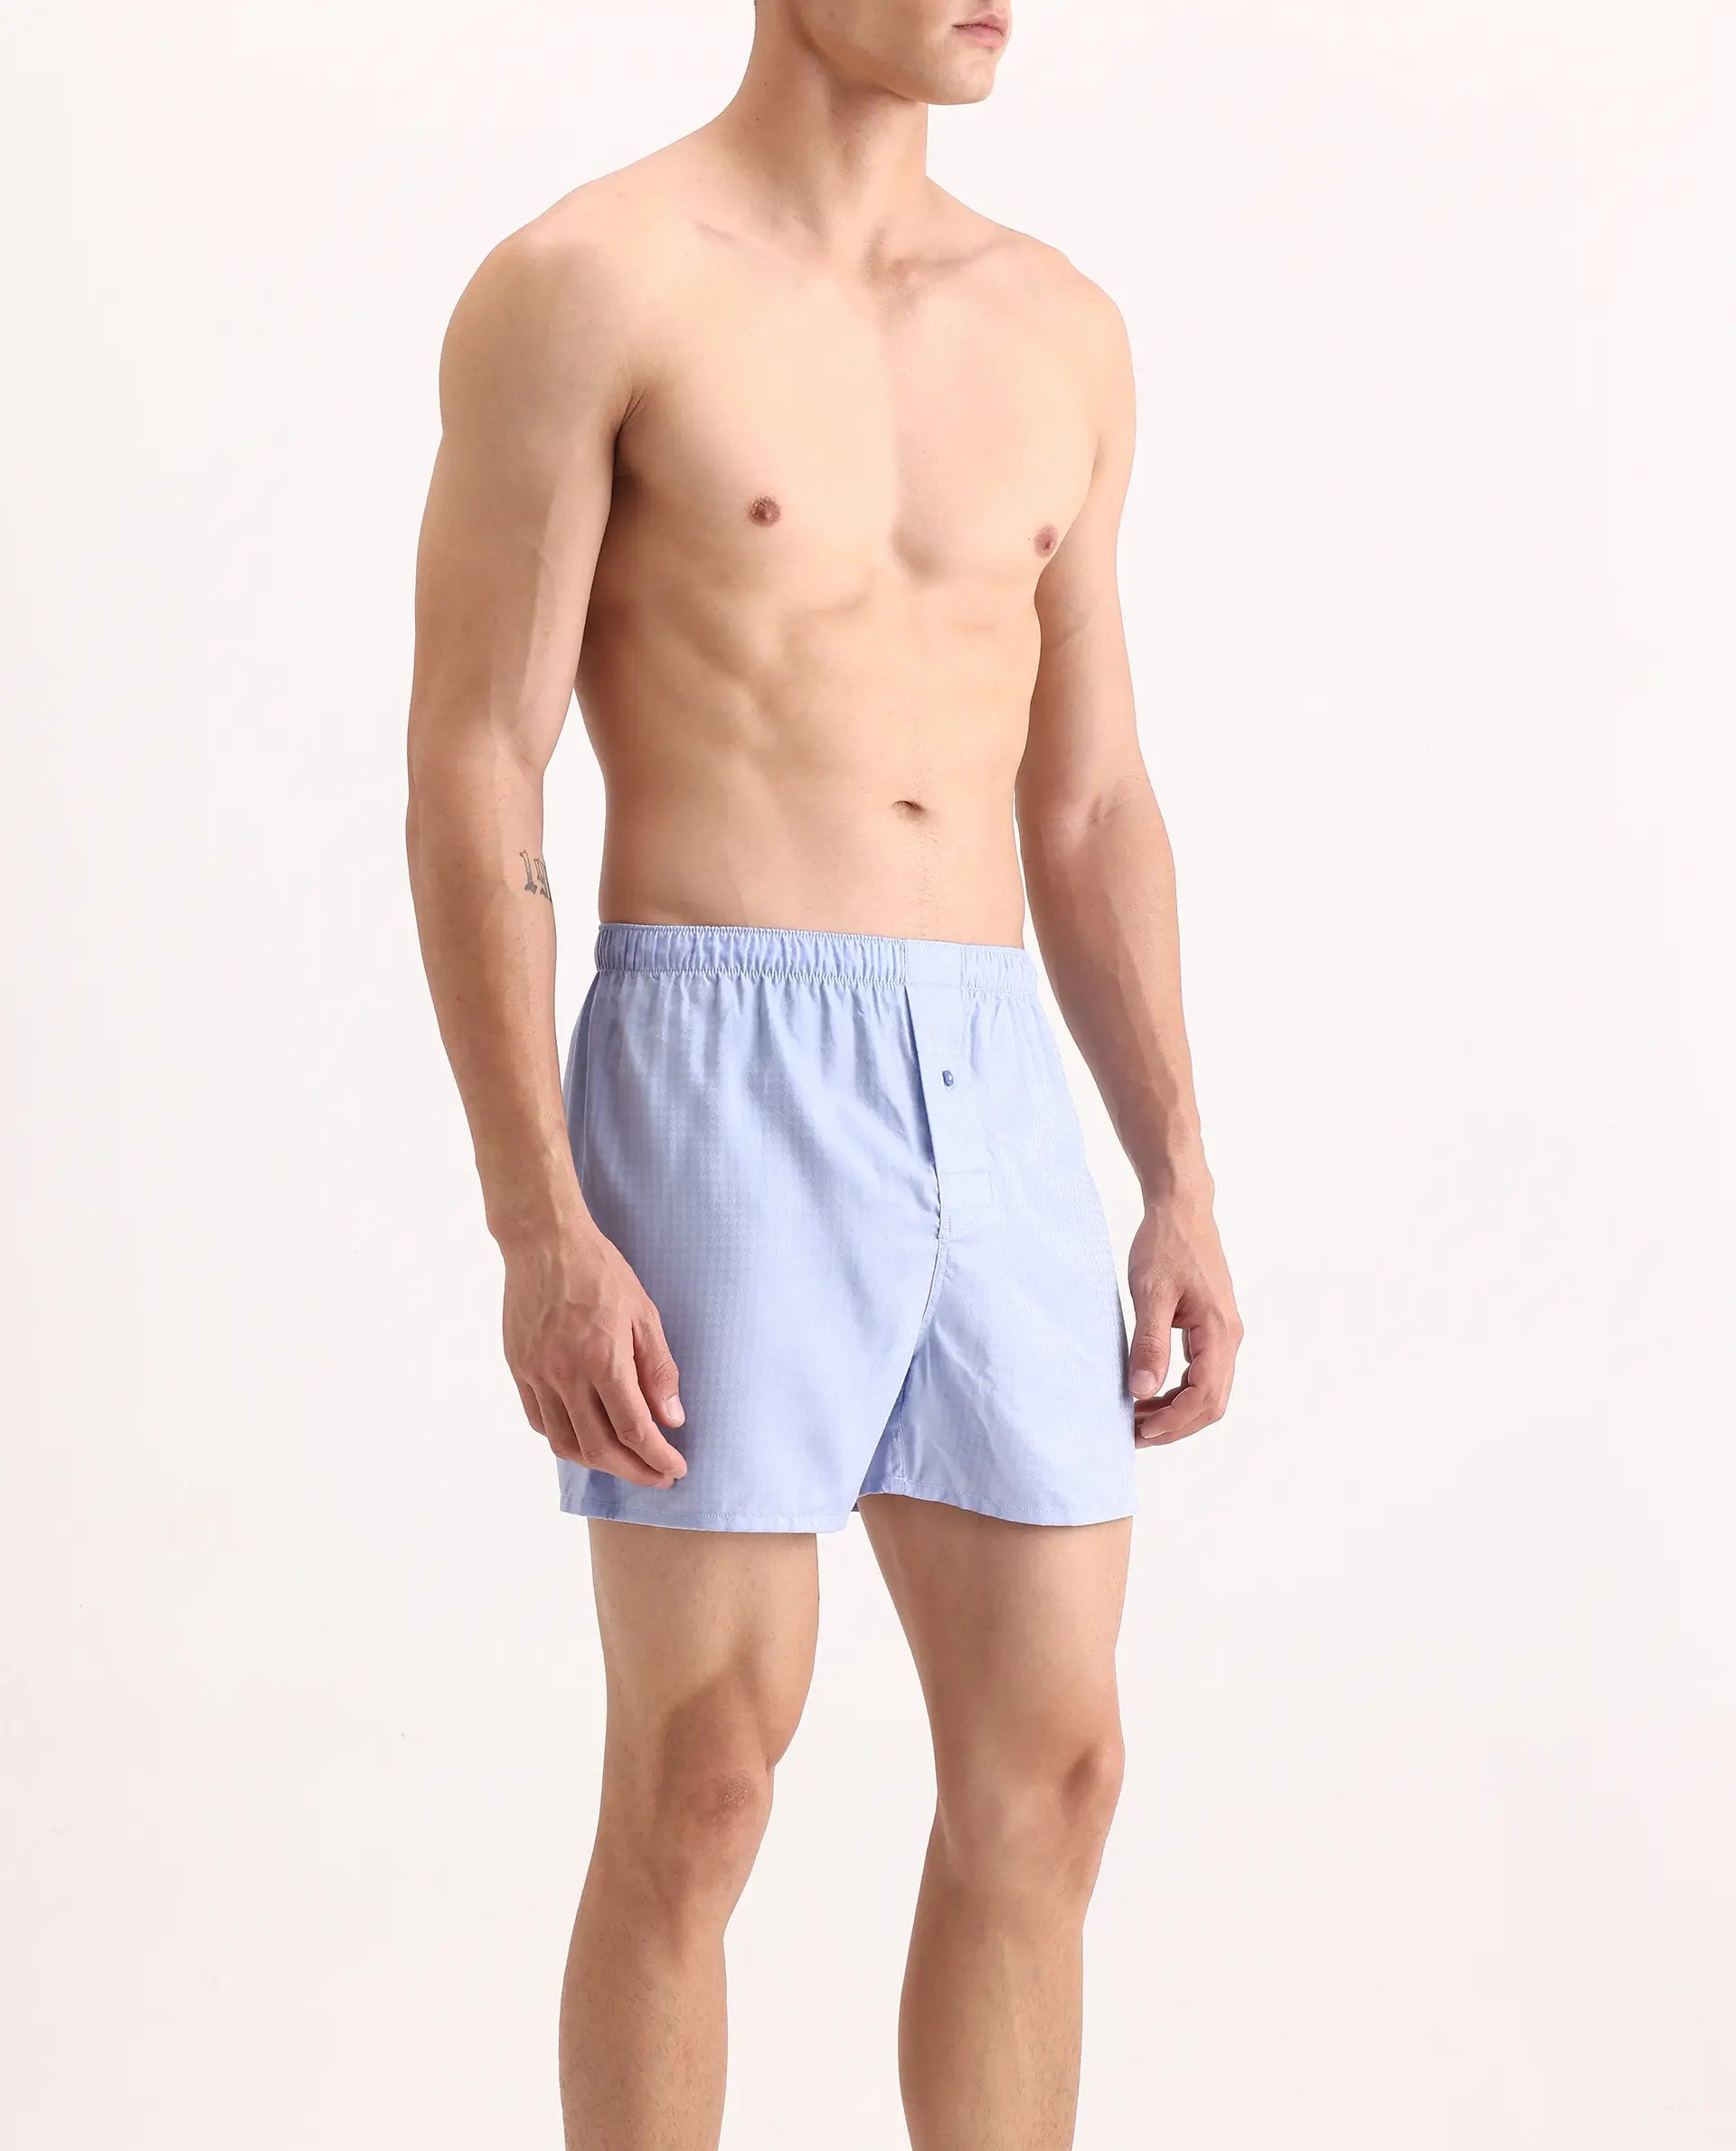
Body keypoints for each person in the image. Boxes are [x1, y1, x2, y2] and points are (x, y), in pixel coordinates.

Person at [405, 4, 1241, 2143]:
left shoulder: (1061, 329)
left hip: (994, 1076)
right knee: (702, 1770)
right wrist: (536, 1218)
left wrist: (1176, 1170)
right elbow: (478, 757)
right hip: (719, 1057)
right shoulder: (590, 281)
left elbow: (1090, 799)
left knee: (1056, 1766)